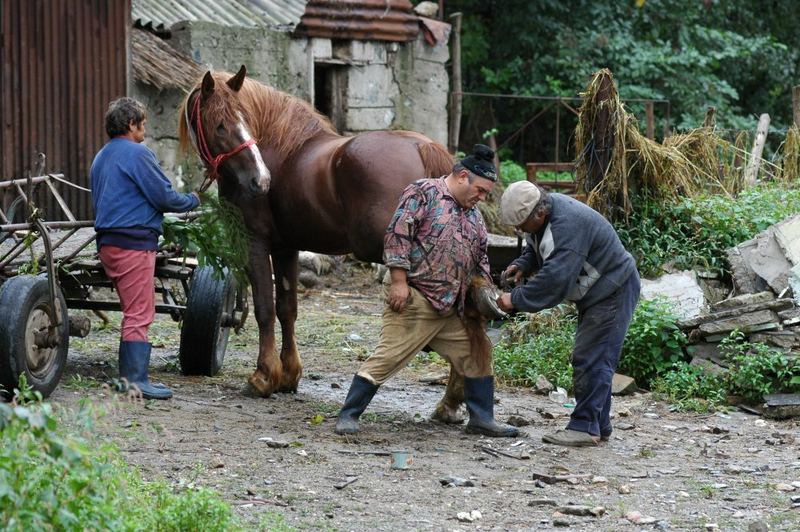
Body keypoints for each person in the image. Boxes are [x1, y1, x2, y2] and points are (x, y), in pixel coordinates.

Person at [334, 144, 519, 438]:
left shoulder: (474, 216)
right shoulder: (424, 192)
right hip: (416, 296)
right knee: (388, 357)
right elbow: (398, 235)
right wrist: (398, 282)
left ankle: (482, 418)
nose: (482, 198)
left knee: (477, 352)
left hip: (450, 306)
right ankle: (349, 415)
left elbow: (481, 257)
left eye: (486, 193)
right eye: (480, 190)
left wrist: (486, 291)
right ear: (461, 177)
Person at [496, 181, 640, 447]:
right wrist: (524, 263)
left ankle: (584, 427)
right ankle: (598, 424)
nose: (518, 230)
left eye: (521, 224)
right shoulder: (544, 213)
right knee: (596, 356)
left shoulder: (567, 227)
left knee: (592, 356)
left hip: (613, 288)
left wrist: (514, 299)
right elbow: (536, 245)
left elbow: (554, 281)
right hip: (598, 290)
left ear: (539, 213)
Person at [91, 97, 200, 400]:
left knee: (133, 311)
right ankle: (134, 381)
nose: (146, 129)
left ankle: (131, 378)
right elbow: (164, 198)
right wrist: (193, 200)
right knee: (139, 312)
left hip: (109, 244)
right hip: (133, 245)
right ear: (131, 124)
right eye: (144, 123)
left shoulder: (101, 156)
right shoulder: (138, 154)